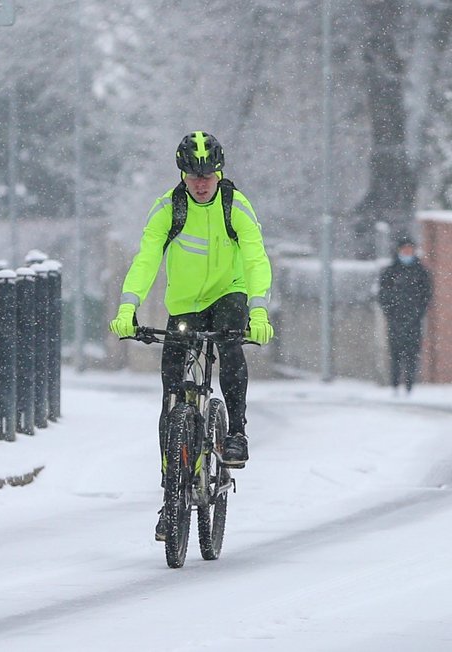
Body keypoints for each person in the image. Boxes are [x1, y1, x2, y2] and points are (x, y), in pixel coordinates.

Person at [109, 131, 273, 540]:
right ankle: (171, 498)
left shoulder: (236, 206)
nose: (201, 183)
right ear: (181, 174)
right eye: (193, 175)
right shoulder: (169, 209)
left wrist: (258, 309)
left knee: (230, 346)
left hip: (228, 292)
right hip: (184, 306)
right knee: (172, 396)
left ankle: (235, 432)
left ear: (220, 173)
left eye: (208, 175)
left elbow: (255, 258)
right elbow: (146, 258)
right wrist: (128, 305)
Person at [377, 236, 433, 395]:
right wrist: (391, 312)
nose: (408, 252)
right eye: (405, 249)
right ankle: (395, 384)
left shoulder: (421, 271)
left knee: (412, 353)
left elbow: (426, 294)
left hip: (414, 319)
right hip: (395, 319)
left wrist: (418, 312)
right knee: (395, 353)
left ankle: (409, 385)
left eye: (410, 249)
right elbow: (383, 294)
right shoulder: (390, 271)